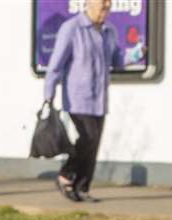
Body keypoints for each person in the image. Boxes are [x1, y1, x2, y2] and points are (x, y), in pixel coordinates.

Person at [44, 0, 123, 202]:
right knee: (88, 137)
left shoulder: (110, 31)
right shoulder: (72, 29)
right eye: (101, 2)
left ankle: (82, 188)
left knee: (94, 142)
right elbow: (55, 65)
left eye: (108, 3)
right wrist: (48, 94)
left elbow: (117, 61)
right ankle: (65, 175)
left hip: (100, 99)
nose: (105, 6)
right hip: (78, 97)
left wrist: (137, 54)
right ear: (88, 3)